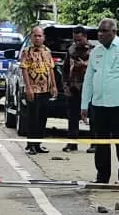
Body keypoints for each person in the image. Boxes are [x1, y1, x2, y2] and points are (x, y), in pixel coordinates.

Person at [80, 18, 119, 184]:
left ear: (114, 32)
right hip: (99, 105)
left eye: (104, 31)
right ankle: (102, 176)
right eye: (99, 31)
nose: (100, 34)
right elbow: (89, 79)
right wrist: (84, 105)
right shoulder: (96, 52)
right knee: (101, 143)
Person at [20, 26, 56, 155]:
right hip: (33, 90)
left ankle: (38, 144)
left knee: (42, 118)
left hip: (45, 90)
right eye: (35, 36)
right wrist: (28, 88)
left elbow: (51, 69)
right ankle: (31, 145)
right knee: (32, 118)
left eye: (40, 36)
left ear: (43, 37)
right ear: (31, 37)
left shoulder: (47, 51)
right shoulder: (27, 52)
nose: (37, 38)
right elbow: (24, 70)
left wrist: (54, 86)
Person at [62, 26, 92, 153]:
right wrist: (65, 86)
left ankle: (94, 143)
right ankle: (72, 143)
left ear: (85, 37)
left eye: (79, 39)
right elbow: (65, 69)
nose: (77, 42)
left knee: (93, 116)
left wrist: (84, 65)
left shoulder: (94, 50)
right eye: (75, 40)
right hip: (74, 87)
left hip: (89, 88)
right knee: (73, 116)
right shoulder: (71, 50)